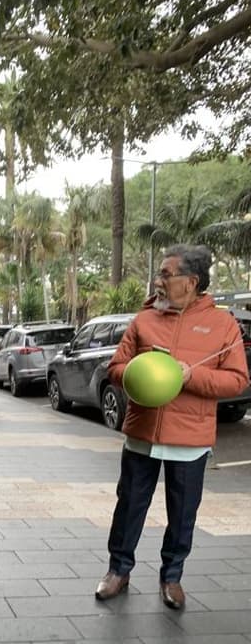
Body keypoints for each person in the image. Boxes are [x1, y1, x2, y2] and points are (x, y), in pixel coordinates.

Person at [95, 244, 249, 610]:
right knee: (129, 505)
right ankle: (119, 570)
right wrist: (141, 373)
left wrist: (189, 376)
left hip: (190, 439)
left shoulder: (222, 324)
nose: (158, 281)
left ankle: (172, 577)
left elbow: (237, 380)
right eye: (159, 274)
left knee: (183, 513)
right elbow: (116, 367)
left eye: (166, 274)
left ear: (191, 281)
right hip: (142, 434)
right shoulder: (144, 319)